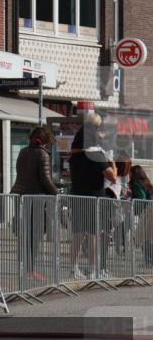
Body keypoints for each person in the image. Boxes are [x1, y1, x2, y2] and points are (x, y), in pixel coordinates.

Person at [68, 113, 116, 279]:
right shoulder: (96, 154)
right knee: (93, 235)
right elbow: (112, 176)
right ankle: (92, 268)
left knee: (77, 234)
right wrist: (113, 163)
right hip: (94, 197)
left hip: (77, 195)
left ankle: (73, 268)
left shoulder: (75, 153)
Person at [11, 126, 59, 281]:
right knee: (36, 236)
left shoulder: (23, 151)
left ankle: (23, 269)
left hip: (20, 196)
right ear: (46, 140)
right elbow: (45, 179)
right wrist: (57, 193)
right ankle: (30, 270)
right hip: (37, 199)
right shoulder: (43, 154)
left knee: (24, 235)